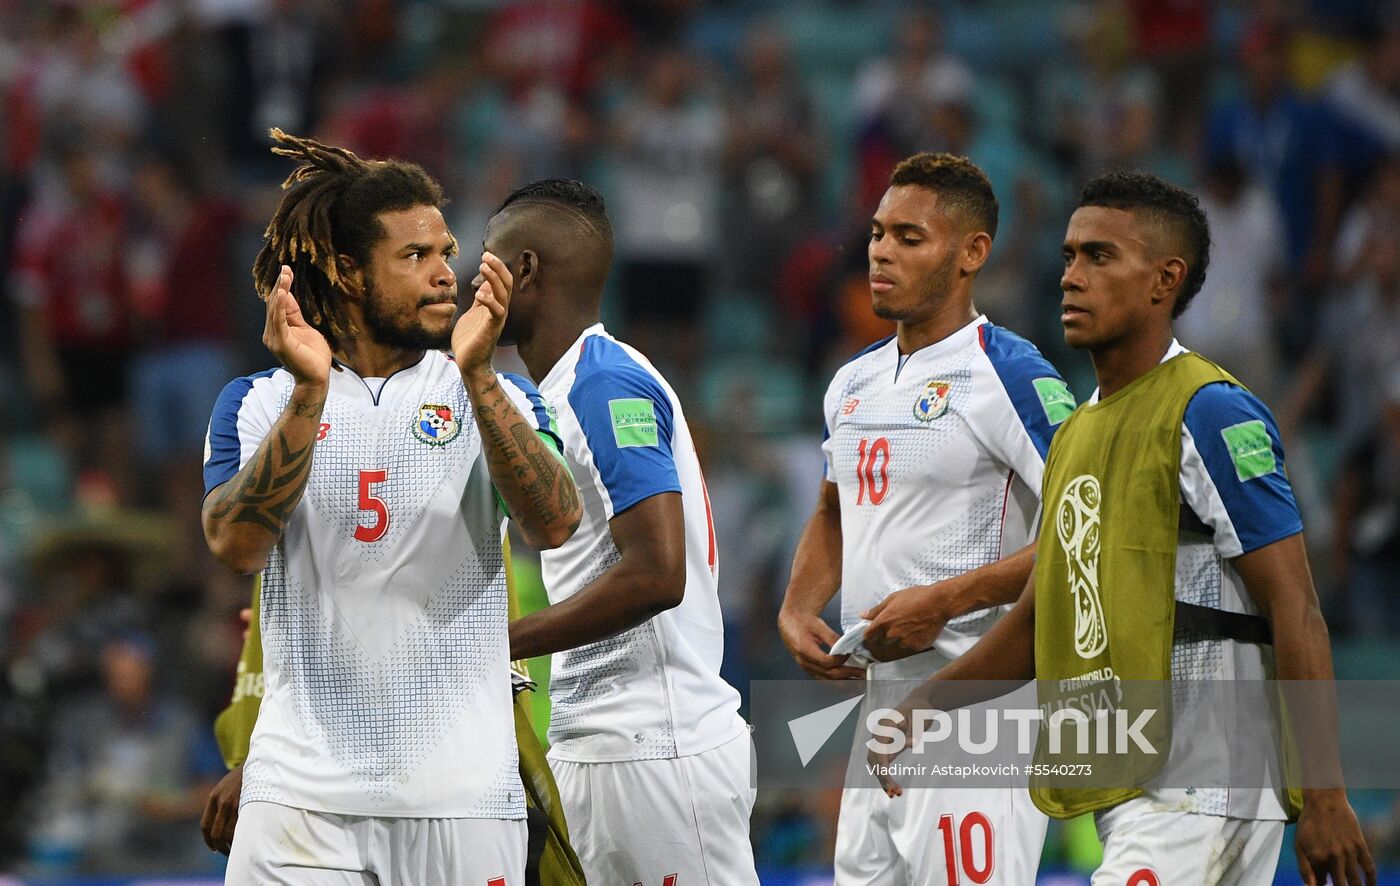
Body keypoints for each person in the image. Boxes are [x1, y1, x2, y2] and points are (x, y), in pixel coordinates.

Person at [874, 171, 1374, 885]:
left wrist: (1324, 794)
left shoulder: (1211, 412)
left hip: (1207, 784)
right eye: (1070, 255)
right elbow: (1045, 616)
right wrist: (926, 704)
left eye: (1099, 257)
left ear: (1164, 280)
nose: (1072, 277)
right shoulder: (1077, 434)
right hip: (1137, 787)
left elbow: (1296, 606)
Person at [200, 130, 581, 884]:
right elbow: (237, 547)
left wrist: (477, 377)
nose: (448, 275)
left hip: (462, 797)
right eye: (416, 257)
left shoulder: (494, 393)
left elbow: (555, 521)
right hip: (297, 800)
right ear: (346, 271)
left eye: (447, 252)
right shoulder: (258, 400)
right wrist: (309, 393)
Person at [779, 152, 1072, 884]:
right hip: (882, 710)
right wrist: (795, 607)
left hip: (981, 710)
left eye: (910, 238)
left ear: (972, 253)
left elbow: (1085, 535)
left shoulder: (1013, 375)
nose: (881, 251)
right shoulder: (853, 379)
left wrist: (946, 600)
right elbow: (833, 505)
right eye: (879, 233)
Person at [484, 178, 758, 885]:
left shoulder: (603, 387)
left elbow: (657, 573)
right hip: (603, 744)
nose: (470, 278)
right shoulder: (555, 394)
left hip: (658, 749)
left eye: (488, 259)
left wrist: (494, 645)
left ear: (527, 271)